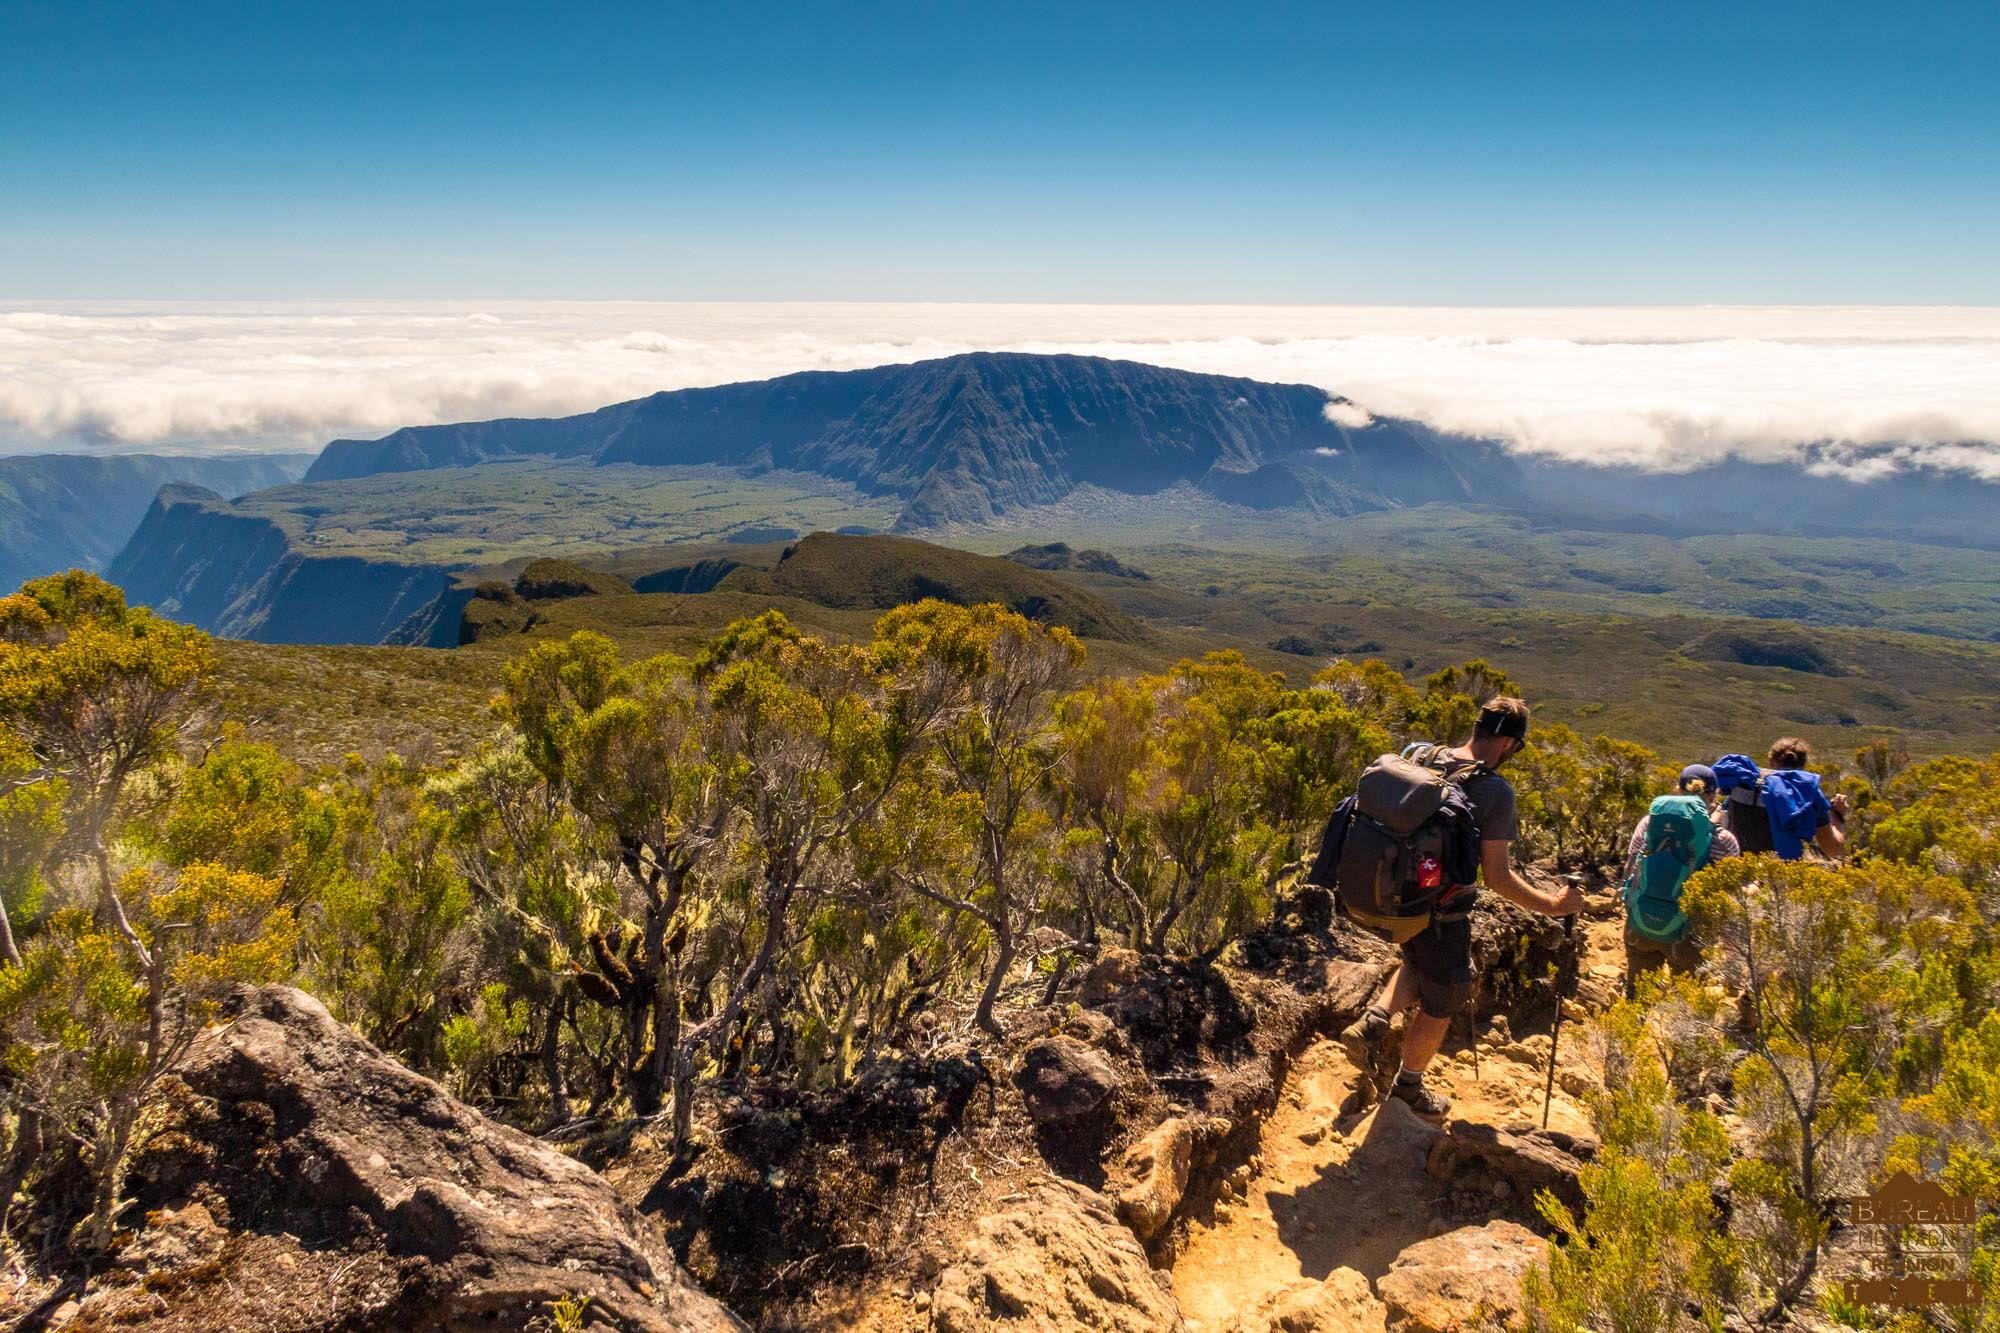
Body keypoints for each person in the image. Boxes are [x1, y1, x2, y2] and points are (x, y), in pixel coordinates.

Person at [1336, 697, 1584, 1121]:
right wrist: (1553, 905)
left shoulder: (1420, 754)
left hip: (1392, 893)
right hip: (1441, 912)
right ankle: (1408, 1088)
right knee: (1446, 994)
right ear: (1509, 742)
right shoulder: (1494, 791)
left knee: (1418, 961)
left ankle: (1375, 1022)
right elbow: (1499, 878)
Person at [1621, 763, 1739, 989]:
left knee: (1637, 994)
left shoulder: (1648, 825)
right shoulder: (1723, 839)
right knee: (1687, 1007)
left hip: (1641, 924)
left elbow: (1630, 869)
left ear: (1677, 790)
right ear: (1714, 795)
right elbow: (1729, 895)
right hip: (1689, 936)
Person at [1715, 738, 1849, 861]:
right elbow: (1833, 849)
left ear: (1771, 761)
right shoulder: (1806, 791)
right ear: (1803, 765)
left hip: (1735, 865)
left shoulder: (1742, 780)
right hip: (1780, 872)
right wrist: (1837, 815)